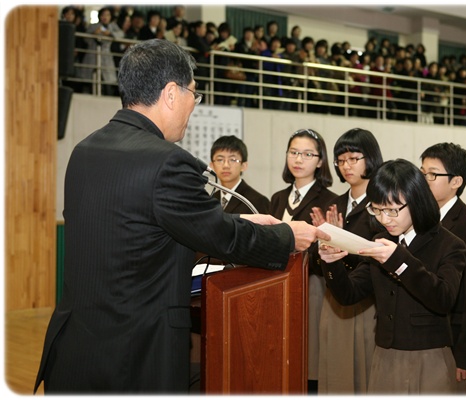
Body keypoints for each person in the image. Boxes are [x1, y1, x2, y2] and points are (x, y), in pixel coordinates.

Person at [33, 39, 329, 394]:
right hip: (135, 354)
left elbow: (142, 226)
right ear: (172, 93)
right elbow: (224, 238)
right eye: (194, 94)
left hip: (76, 347)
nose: (194, 106)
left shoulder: (85, 150)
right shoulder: (166, 161)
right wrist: (287, 236)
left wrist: (247, 221)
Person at [318, 159, 466, 394]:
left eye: (392, 210)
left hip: (429, 356)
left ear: (416, 202)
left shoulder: (449, 244)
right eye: (376, 210)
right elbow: (349, 294)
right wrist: (332, 263)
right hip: (384, 356)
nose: (384, 219)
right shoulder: (380, 240)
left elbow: (443, 299)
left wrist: (399, 261)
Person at [309, 128, 383, 394]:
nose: (346, 166)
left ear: (371, 158)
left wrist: (343, 243)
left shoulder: (382, 207)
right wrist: (323, 246)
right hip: (333, 300)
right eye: (341, 160)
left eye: (354, 158)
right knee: (334, 381)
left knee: (364, 381)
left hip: (366, 305)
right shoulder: (333, 204)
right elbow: (316, 265)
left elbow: (377, 259)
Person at [420, 143, 466, 393]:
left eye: (432, 174)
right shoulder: (416, 219)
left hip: (453, 344)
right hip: (420, 340)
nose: (424, 180)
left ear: (456, 181)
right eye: (421, 173)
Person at [269, 128, 338, 394]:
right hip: (276, 286)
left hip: (313, 288)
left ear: (320, 161)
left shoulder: (330, 201)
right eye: (294, 152)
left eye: (308, 154)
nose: (299, 159)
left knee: (308, 359)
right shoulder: (276, 198)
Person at [209, 135, 270, 214]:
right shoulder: (210, 200)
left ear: (243, 166)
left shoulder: (258, 201)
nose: (226, 165)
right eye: (220, 160)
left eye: (232, 160)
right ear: (212, 166)